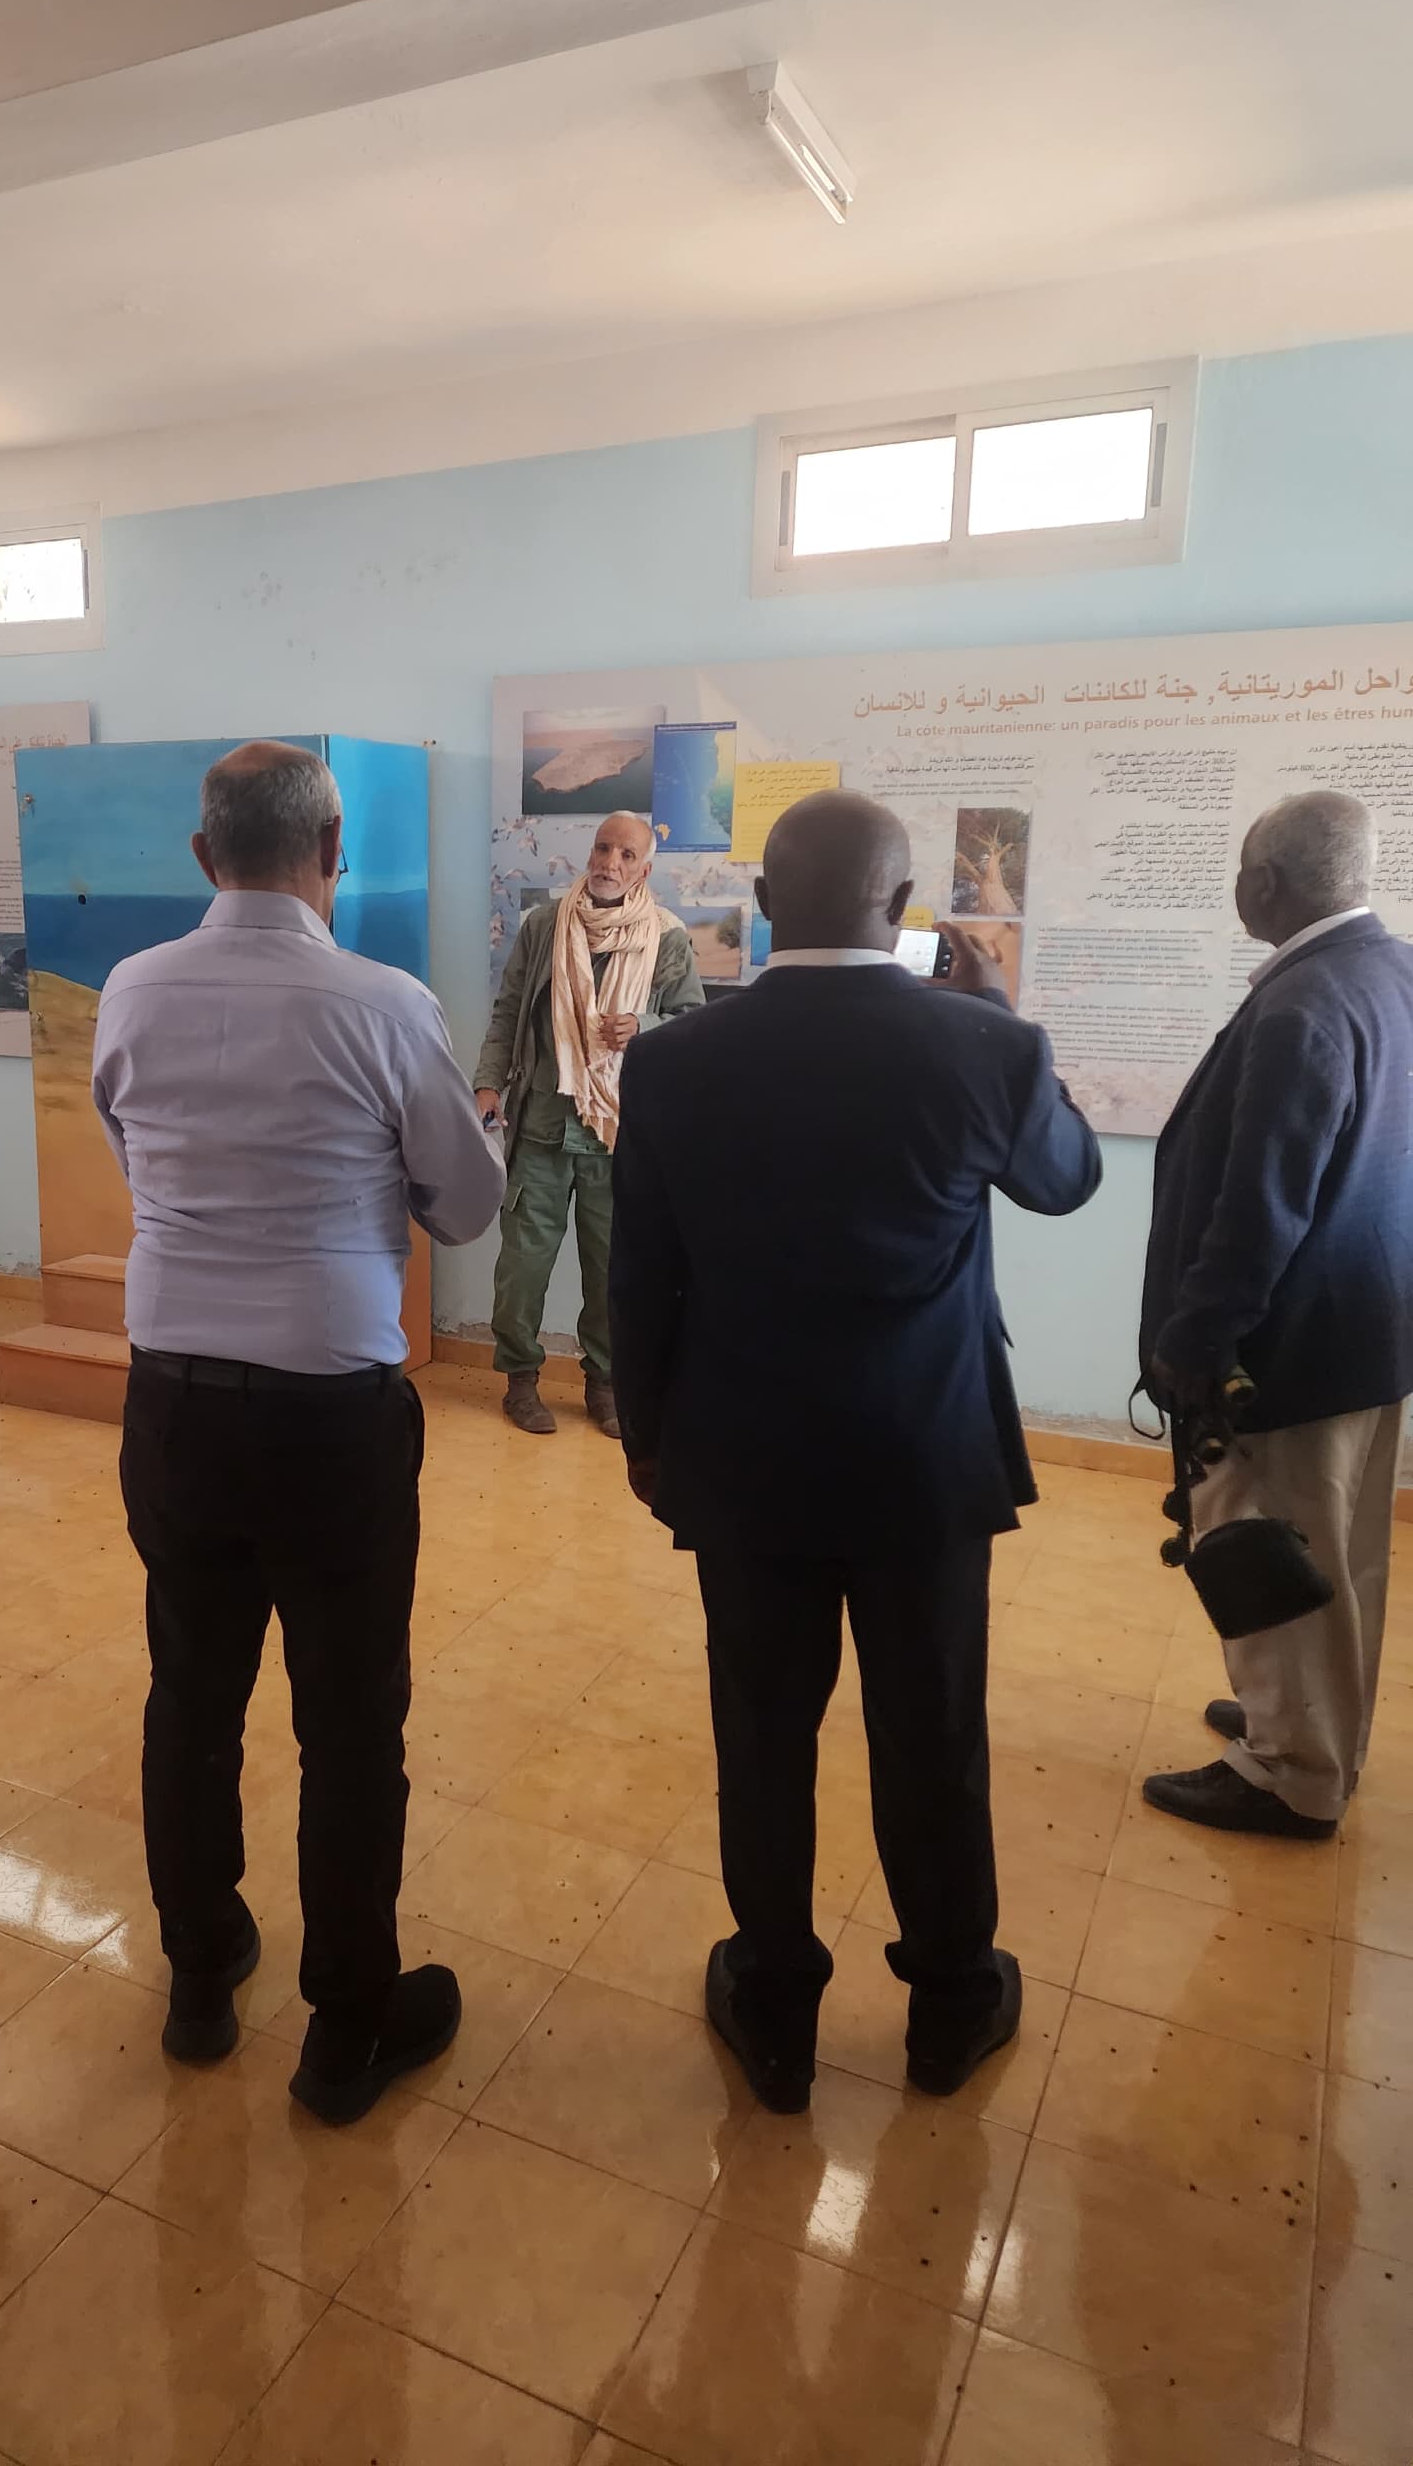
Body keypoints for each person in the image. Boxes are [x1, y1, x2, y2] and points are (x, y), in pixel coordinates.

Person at [610, 790, 1101, 2110]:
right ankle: (950, 2001)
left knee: (761, 1734)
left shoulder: (673, 1062)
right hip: (922, 1460)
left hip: (743, 1458)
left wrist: (648, 1440)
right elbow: (1066, 1180)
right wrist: (1006, 1023)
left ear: (763, 910)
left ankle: (773, 2004)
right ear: (901, 914)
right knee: (930, 1730)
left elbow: (638, 1275)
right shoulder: (977, 1049)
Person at [92, 740, 505, 2123]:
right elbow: (464, 1208)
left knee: (190, 1698)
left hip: (176, 1404)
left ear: (204, 860)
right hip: (333, 1416)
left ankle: (201, 1979)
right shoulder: (386, 1005)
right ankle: (348, 2029)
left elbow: (133, 1152)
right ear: (336, 854)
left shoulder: (131, 991)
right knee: (348, 1723)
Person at [1139, 790, 1413, 1839]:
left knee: (1280, 1542)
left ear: (1267, 882)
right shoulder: (1389, 971)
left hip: (1290, 1347)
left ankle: (1291, 1769)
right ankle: (1308, 1717)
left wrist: (1195, 1342)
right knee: (1339, 1553)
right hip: (1368, 1333)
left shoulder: (1305, 1005)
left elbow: (1260, 1210)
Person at [475, 813, 705, 1437]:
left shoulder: (667, 937)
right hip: (543, 1129)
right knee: (521, 1270)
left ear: (644, 868)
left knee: (613, 1273)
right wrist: (488, 1083)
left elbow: (692, 1027)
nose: (610, 862)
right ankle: (521, 1381)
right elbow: (508, 1013)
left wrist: (645, 1029)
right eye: (603, 848)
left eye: (626, 854)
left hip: (617, 1136)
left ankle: (604, 1384)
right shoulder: (546, 926)